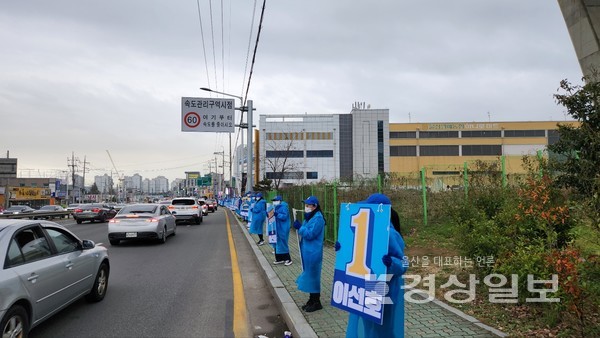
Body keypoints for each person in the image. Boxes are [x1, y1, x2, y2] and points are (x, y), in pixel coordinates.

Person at [339, 193, 408, 338]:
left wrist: (391, 263)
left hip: (384, 289)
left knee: (382, 330)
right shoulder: (363, 229)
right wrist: (342, 249)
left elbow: (404, 264)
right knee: (367, 327)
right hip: (365, 286)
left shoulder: (390, 233)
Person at [293, 195, 325, 312]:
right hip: (307, 251)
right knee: (310, 275)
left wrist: (300, 227)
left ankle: (317, 302)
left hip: (313, 252)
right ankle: (311, 299)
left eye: (308, 205)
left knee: (313, 276)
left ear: (314, 206)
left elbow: (310, 234)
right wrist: (301, 226)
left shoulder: (318, 219)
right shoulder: (310, 217)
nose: (306, 207)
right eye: (305, 205)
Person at [272, 195, 292, 266]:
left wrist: (277, 214)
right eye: (273, 201)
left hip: (283, 228)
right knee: (276, 243)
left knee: (283, 243)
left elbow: (284, 216)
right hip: (277, 227)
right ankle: (279, 259)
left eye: (275, 201)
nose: (274, 202)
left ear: (280, 201)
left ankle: (288, 259)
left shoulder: (283, 207)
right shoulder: (275, 207)